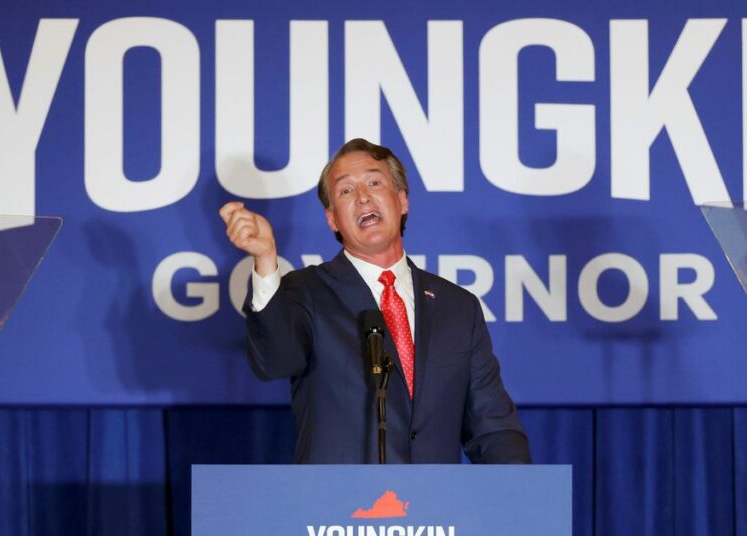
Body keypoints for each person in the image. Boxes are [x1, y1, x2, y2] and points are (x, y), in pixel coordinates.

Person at [219, 138, 530, 464]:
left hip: (435, 508)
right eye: (346, 191)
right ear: (332, 220)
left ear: (402, 200)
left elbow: (492, 426)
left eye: (374, 182)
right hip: (336, 509)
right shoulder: (306, 291)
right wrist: (266, 260)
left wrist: (520, 497)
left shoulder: (458, 307)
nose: (363, 197)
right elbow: (275, 362)